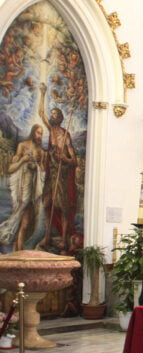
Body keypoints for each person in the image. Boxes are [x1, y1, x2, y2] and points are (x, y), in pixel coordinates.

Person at [38, 82, 77, 253]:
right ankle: (47, 234)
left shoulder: (65, 135)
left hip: (62, 177)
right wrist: (42, 94)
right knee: (47, 203)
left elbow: (73, 160)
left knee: (62, 207)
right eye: (51, 113)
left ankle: (63, 239)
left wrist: (65, 158)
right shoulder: (51, 130)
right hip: (51, 175)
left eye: (54, 114)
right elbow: (41, 113)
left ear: (60, 117)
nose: (52, 115)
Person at [0, 125, 45, 251]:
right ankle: (16, 247)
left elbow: (43, 172)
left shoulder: (41, 151)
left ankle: (19, 250)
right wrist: (24, 160)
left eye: (41, 134)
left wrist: (37, 167)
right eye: (38, 133)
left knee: (27, 223)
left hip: (34, 191)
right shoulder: (22, 146)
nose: (40, 136)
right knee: (20, 217)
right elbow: (10, 168)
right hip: (23, 189)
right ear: (32, 132)